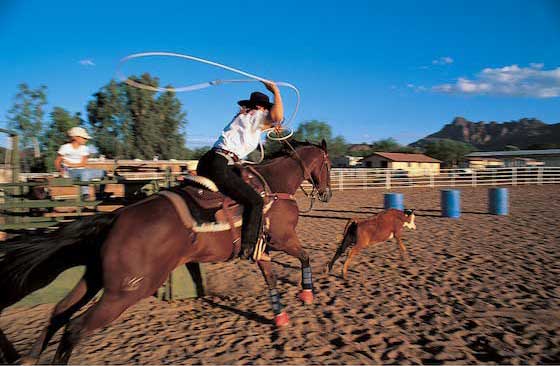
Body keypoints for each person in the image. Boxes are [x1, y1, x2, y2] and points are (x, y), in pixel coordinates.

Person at [197, 81, 284, 260]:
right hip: (219, 164)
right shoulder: (258, 116)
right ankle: (249, 249)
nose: (267, 111)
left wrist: (270, 126)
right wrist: (276, 90)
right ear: (261, 107)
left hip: (208, 161)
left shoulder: (245, 117)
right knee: (255, 202)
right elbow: (278, 117)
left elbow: (269, 123)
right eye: (266, 108)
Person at [54, 127, 106, 201]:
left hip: (82, 170)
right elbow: (57, 161)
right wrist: (60, 170)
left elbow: (83, 164)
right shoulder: (65, 147)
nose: (86, 140)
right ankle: (85, 194)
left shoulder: (84, 148)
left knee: (104, 172)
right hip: (70, 172)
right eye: (84, 138)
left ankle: (100, 193)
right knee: (85, 173)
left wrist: (70, 164)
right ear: (76, 137)